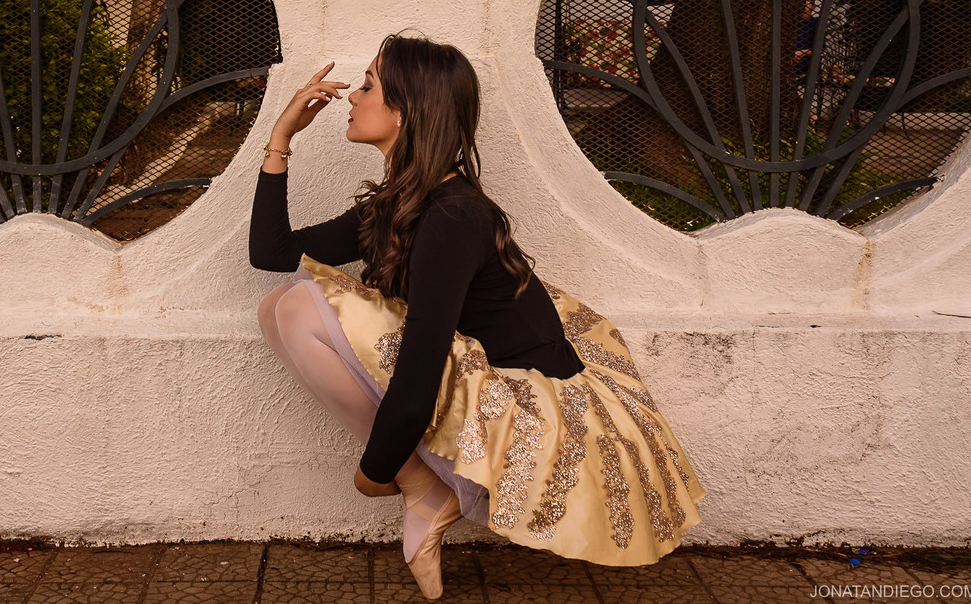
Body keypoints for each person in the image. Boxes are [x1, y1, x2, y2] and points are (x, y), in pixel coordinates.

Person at [249, 33, 705, 599]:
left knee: (298, 305)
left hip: (531, 404)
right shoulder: (402, 203)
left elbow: (419, 374)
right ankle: (426, 486)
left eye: (367, 85)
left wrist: (375, 473)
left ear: (405, 110)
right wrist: (281, 138)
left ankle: (424, 486)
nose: (353, 97)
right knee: (277, 306)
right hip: (479, 376)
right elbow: (270, 252)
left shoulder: (453, 215)